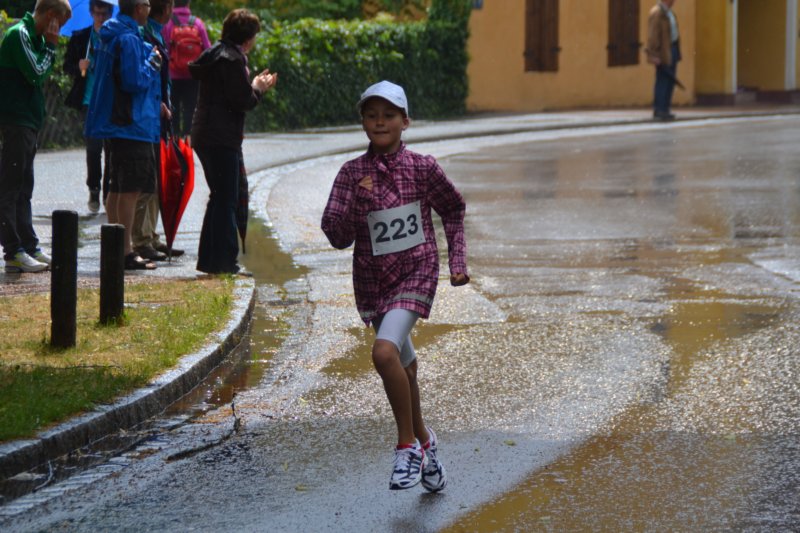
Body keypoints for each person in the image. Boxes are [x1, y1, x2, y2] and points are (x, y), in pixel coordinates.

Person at [321, 81, 469, 491]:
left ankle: (406, 447)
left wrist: (457, 263)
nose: (380, 122)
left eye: (389, 115)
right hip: (374, 283)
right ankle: (427, 443)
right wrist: (356, 202)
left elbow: (454, 208)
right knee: (405, 368)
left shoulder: (423, 168)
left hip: (417, 272)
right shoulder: (351, 173)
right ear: (363, 122)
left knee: (384, 353)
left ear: (405, 122)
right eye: (371, 116)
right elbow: (336, 235)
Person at [189, 8, 277, 276]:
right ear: (247, 39)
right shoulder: (232, 59)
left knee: (219, 197)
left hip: (206, 133)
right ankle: (226, 263)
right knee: (227, 199)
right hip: (220, 137)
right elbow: (242, 100)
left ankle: (210, 261)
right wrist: (258, 87)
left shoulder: (216, 53)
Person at [85, 0, 163, 270]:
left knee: (116, 187)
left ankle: (116, 247)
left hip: (115, 123)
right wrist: (153, 63)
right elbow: (134, 81)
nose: (150, 9)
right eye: (147, 4)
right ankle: (126, 252)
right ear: (139, 8)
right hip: (131, 124)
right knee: (130, 189)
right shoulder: (128, 39)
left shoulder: (110, 34)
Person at [0, 0, 72, 273]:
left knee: (24, 188)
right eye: (59, 24)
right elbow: (36, 73)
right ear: (51, 15)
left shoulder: (36, 38)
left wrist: (47, 44)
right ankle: (13, 250)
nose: (58, 31)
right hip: (15, 120)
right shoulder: (19, 34)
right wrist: (51, 46)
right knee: (10, 186)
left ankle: (29, 245)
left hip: (28, 121)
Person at [132, 0, 185, 262]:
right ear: (164, 10)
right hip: (150, 116)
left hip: (158, 115)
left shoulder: (156, 33)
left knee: (156, 179)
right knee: (147, 180)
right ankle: (141, 239)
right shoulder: (145, 34)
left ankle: (150, 235)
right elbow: (143, 77)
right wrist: (158, 104)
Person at [63, 0, 114, 214]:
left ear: (110, 14)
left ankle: (109, 192)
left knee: (111, 149)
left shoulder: (115, 37)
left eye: (104, 14)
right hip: (89, 100)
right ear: (91, 12)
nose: (100, 18)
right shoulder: (81, 37)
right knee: (93, 148)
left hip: (110, 101)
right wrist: (79, 66)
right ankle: (94, 187)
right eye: (97, 13)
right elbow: (67, 66)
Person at [162, 0, 210, 141]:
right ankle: (188, 140)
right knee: (191, 108)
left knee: (174, 109)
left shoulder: (168, 23)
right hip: (193, 75)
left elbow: (164, 49)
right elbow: (208, 49)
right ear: (188, 4)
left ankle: (175, 141)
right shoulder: (197, 23)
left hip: (173, 75)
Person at [646, 0, 681, 121]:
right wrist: (654, 55)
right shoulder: (657, 13)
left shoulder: (670, 13)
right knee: (662, 81)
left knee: (670, 81)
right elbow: (653, 36)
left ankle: (665, 109)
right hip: (663, 52)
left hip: (672, 49)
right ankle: (659, 109)